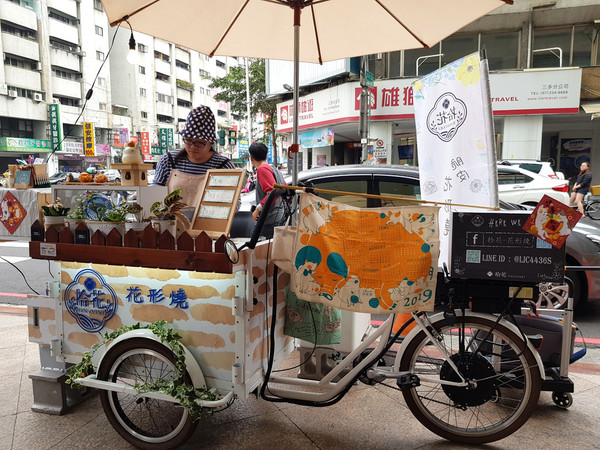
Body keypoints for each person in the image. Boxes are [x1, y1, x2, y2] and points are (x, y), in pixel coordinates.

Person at [153, 105, 235, 207]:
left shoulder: (223, 166)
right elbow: (154, 196)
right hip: (171, 222)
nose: (192, 146)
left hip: (209, 222)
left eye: (199, 143)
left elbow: (234, 202)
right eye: (188, 140)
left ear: (211, 143)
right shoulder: (168, 160)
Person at [249, 142, 286, 239]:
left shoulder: (262, 169)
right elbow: (284, 188)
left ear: (251, 158)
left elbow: (273, 192)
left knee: (255, 249)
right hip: (277, 217)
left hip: (268, 220)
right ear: (266, 155)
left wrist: (258, 209)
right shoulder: (274, 169)